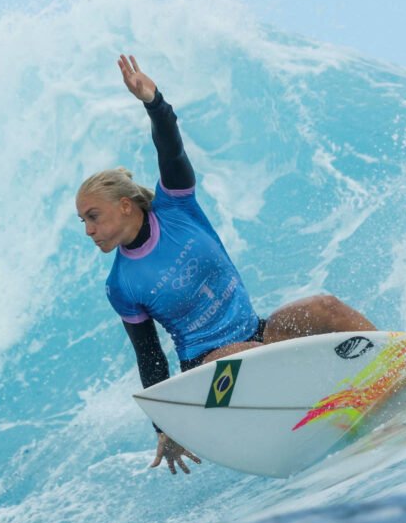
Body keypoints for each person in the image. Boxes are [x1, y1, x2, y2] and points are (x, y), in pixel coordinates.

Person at [76, 55, 376, 476]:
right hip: (209, 376)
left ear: (125, 207)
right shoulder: (121, 284)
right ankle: (338, 408)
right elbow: (149, 358)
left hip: (256, 334)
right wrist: (167, 424)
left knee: (324, 307)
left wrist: (153, 101)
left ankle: (392, 365)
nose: (88, 229)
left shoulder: (177, 208)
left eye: (93, 216)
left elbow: (171, 147)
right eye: (83, 221)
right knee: (252, 358)